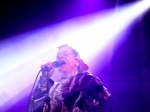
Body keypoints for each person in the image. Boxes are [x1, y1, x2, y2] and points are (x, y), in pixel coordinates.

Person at [29, 44, 111, 112]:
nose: (60, 57)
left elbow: (104, 97)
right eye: (58, 56)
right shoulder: (53, 88)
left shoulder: (86, 82)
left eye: (65, 54)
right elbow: (36, 109)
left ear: (76, 61)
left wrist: (82, 72)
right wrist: (44, 79)